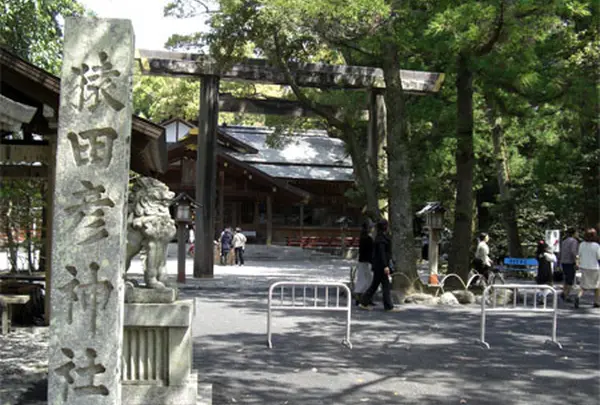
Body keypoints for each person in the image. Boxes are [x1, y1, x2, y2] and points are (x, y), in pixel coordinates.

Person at [359, 219, 400, 312]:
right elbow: (382, 254)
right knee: (384, 285)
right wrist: (385, 265)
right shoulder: (381, 239)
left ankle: (364, 302)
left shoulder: (380, 237)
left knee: (376, 285)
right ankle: (388, 306)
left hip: (378, 266)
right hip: (381, 266)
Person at [574, 228, 600, 309]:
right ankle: (597, 302)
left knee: (583, 285)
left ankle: (578, 296)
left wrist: (578, 263)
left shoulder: (582, 244)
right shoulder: (596, 246)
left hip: (584, 267)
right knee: (597, 286)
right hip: (594, 267)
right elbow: (599, 256)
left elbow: (578, 255)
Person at [354, 220, 374, 306]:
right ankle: (364, 298)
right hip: (366, 261)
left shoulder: (362, 237)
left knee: (361, 279)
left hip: (362, 261)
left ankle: (360, 297)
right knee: (368, 280)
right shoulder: (368, 239)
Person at [559, 228, 578, 301]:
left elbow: (560, 252)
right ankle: (566, 295)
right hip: (570, 262)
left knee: (566, 278)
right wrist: (576, 261)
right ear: (573, 233)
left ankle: (564, 292)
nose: (577, 234)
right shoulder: (574, 241)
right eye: (576, 233)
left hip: (564, 261)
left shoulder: (564, 241)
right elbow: (573, 252)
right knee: (570, 280)